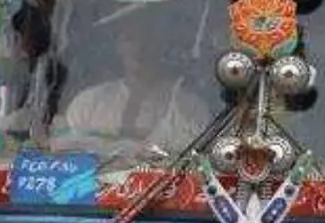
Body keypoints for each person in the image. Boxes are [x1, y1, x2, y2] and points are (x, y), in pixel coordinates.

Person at [56, 16, 212, 151]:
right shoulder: (88, 103)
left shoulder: (189, 108)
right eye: (130, 38)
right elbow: (67, 154)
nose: (139, 48)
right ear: (119, 46)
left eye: (148, 38)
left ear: (161, 46)